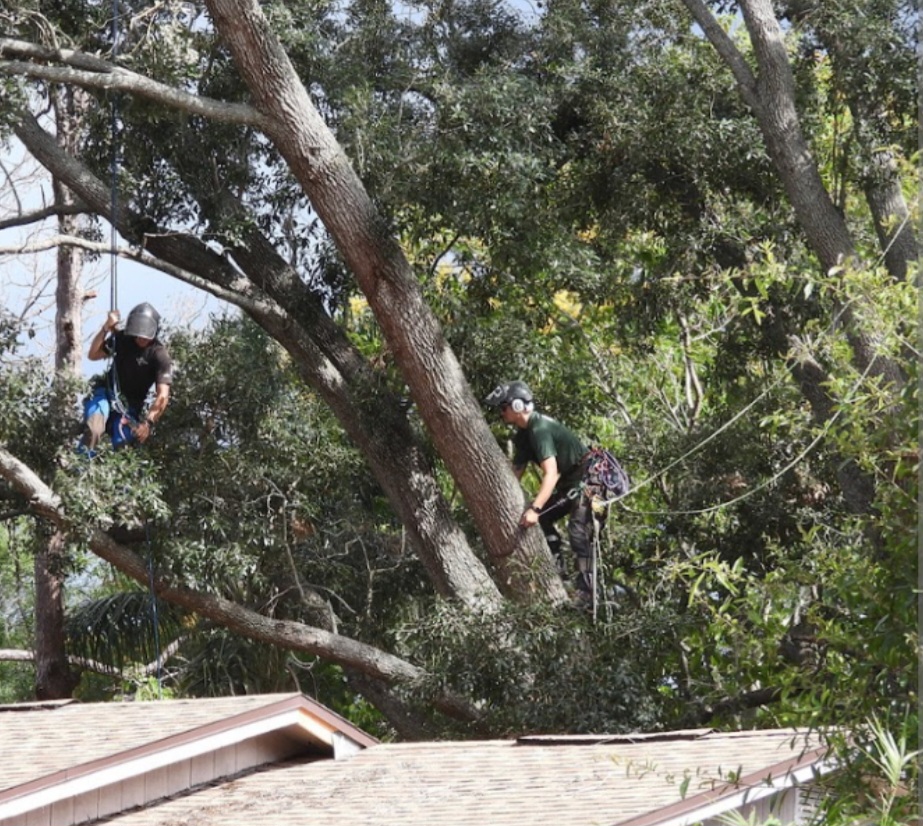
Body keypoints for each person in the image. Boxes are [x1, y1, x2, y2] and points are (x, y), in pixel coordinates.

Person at [484, 380, 602, 602]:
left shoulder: (540, 428)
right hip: (570, 483)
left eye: (504, 406)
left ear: (518, 406)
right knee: (544, 519)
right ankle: (561, 574)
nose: (501, 412)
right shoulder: (523, 436)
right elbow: (514, 474)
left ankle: (588, 593)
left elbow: (551, 473)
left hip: (590, 480)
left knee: (578, 530)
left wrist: (535, 508)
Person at [79, 303, 173, 455]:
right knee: (94, 429)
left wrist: (148, 423)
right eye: (138, 335)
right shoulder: (123, 339)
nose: (141, 339)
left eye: (145, 336)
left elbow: (163, 395)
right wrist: (106, 328)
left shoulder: (159, 355)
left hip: (129, 407)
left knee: (124, 441)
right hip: (106, 394)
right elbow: (93, 354)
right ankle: (79, 469)